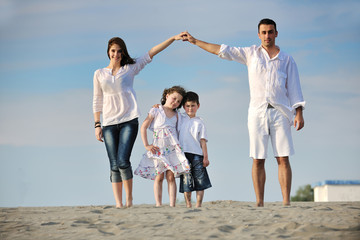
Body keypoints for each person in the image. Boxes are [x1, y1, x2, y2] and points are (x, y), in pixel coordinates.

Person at [181, 18, 305, 207]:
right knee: (258, 159)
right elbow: (222, 50)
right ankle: (260, 202)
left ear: (276, 33)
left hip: (281, 113)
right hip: (257, 112)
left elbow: (294, 88)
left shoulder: (286, 59)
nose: (267, 36)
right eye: (263, 32)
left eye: (270, 32)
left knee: (283, 157)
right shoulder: (251, 54)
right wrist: (195, 41)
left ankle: (286, 202)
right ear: (258, 35)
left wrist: (299, 112)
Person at [93, 34, 183, 208]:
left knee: (123, 161)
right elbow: (97, 100)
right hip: (109, 123)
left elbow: (151, 53)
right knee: (113, 164)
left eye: (120, 51)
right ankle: (119, 204)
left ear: (123, 52)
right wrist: (97, 124)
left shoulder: (130, 68)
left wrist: (172, 39)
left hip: (129, 120)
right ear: (108, 52)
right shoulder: (99, 74)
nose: (116, 54)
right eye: (113, 51)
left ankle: (129, 199)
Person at [134, 86, 190, 207]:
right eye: (174, 98)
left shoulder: (177, 116)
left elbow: (182, 130)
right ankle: (158, 204)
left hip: (172, 150)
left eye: (178, 101)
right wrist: (146, 145)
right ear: (167, 95)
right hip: (158, 149)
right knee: (159, 177)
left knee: (171, 177)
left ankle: (172, 205)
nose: (175, 102)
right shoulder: (156, 110)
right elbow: (143, 127)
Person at [178, 91, 211, 208]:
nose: (190, 108)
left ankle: (198, 205)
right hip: (183, 155)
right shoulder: (180, 118)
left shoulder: (200, 122)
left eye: (193, 105)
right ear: (183, 106)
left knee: (200, 181)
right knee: (186, 180)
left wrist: (205, 157)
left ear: (198, 106)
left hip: (197, 155)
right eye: (187, 106)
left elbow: (203, 141)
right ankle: (188, 204)